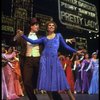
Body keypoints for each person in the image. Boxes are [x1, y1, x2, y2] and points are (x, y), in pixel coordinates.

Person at [17, 21, 83, 100]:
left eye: (53, 25)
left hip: (54, 60)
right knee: (46, 81)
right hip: (44, 60)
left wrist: (75, 51)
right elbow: (33, 41)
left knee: (61, 78)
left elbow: (65, 46)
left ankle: (72, 98)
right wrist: (22, 35)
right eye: (49, 25)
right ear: (47, 28)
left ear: (55, 27)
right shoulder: (43, 38)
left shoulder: (58, 36)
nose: (51, 26)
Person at [13, 18, 42, 100]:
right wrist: (17, 35)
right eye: (36, 25)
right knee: (26, 82)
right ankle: (33, 98)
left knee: (40, 81)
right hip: (27, 61)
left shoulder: (41, 37)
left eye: (38, 25)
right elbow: (14, 42)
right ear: (31, 27)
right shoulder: (23, 36)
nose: (37, 26)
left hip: (38, 61)